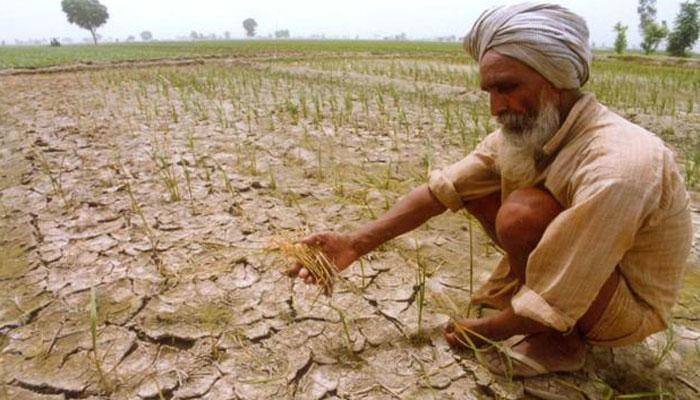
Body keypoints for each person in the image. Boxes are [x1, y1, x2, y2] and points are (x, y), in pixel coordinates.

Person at [287, 2, 693, 377]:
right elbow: (440, 191)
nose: (496, 107)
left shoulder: (619, 165)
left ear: (556, 79)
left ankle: (560, 340)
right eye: (491, 91)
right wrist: (355, 244)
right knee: (478, 190)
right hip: (582, 269)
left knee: (522, 213)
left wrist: (489, 328)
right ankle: (532, 311)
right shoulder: (530, 130)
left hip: (622, 306)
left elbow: (578, 268)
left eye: (508, 87)